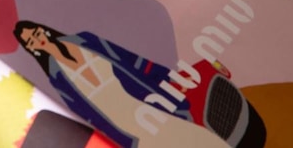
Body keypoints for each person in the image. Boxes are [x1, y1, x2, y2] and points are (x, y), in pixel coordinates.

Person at [13, 20, 230, 148]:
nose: (37, 39)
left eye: (35, 33)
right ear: (32, 49)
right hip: (128, 129)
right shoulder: (57, 80)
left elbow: (133, 62)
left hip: (149, 105)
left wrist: (170, 79)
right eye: (31, 41)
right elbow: (86, 117)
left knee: (197, 140)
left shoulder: (86, 40)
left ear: (42, 29)